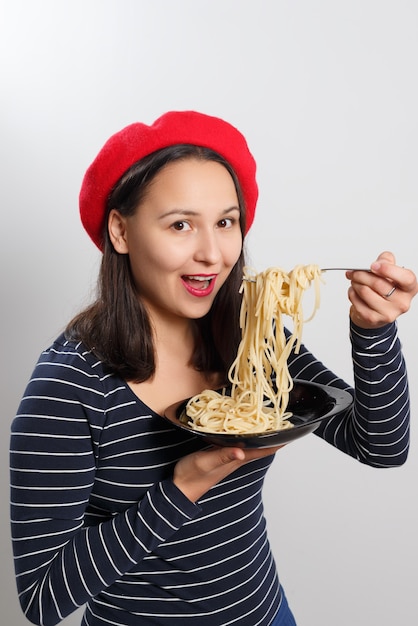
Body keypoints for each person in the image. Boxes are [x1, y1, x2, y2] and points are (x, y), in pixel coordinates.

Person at [10, 110, 417, 626]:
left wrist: (372, 331)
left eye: (225, 222)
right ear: (120, 230)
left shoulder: (251, 335)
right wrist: (185, 484)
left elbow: (380, 446)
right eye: (180, 224)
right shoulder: (69, 386)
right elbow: (42, 599)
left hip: (266, 613)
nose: (212, 254)